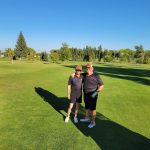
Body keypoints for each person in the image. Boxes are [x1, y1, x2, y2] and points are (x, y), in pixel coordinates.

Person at [80, 63, 104, 128]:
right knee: (87, 107)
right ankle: (86, 118)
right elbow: (77, 75)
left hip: (93, 95)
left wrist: (95, 93)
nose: (87, 69)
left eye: (89, 68)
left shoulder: (96, 76)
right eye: (86, 68)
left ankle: (93, 122)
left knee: (92, 109)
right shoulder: (84, 75)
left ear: (92, 69)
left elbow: (101, 86)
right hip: (86, 94)